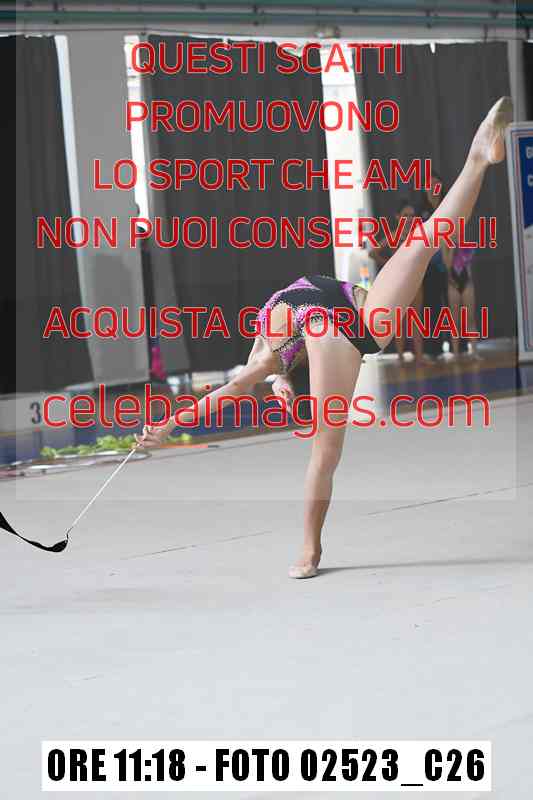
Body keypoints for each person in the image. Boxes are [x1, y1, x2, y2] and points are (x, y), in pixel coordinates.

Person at [135, 97, 513, 579]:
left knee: (422, 242)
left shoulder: (266, 349)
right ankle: (310, 548)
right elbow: (232, 390)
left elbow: (238, 386)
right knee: (324, 450)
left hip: (363, 316)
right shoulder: (275, 355)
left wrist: (180, 419)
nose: (286, 391)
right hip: (343, 328)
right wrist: (172, 422)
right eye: (291, 390)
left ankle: (479, 156)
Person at [368, 198, 425, 363]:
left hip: (415, 281)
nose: (409, 219)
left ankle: (419, 357)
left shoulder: (418, 236)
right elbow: (372, 253)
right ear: (398, 217)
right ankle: (400, 357)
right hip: (398, 284)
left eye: (412, 216)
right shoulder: (394, 236)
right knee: (399, 321)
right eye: (405, 216)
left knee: (415, 320)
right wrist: (388, 263)